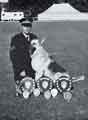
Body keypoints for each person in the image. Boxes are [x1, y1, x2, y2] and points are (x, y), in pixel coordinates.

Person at [9, 17, 38, 95]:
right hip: (21, 70)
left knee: (35, 90)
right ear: (22, 26)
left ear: (31, 26)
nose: (27, 28)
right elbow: (13, 57)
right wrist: (20, 70)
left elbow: (37, 54)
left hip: (32, 69)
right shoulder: (15, 38)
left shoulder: (34, 37)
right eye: (25, 26)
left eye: (29, 26)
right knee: (22, 92)